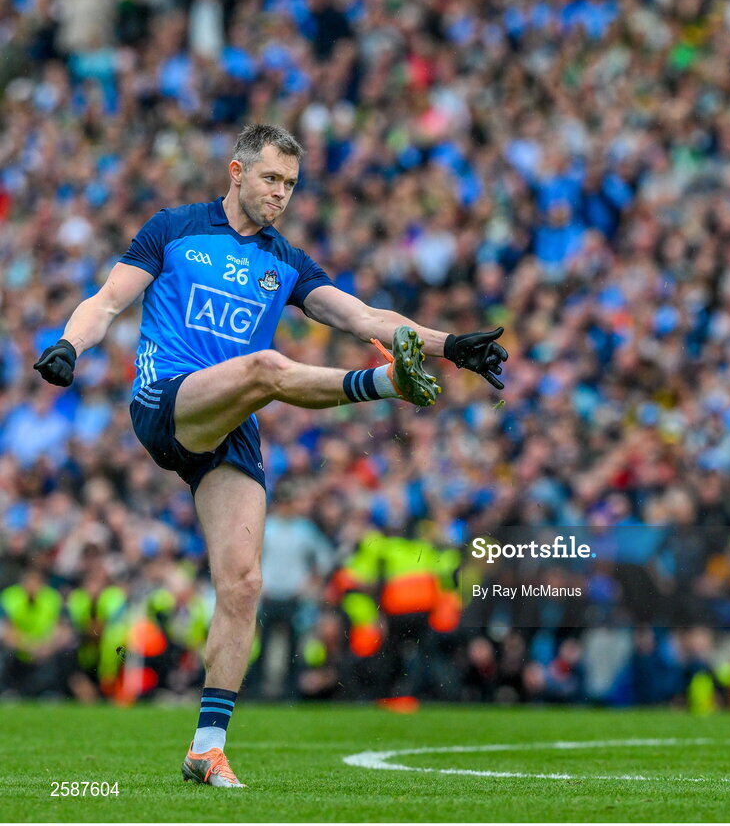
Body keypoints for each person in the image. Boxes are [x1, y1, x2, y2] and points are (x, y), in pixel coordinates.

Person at [33, 123, 507, 788]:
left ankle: (206, 747)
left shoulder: (286, 260)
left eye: (290, 183)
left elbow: (365, 318)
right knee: (264, 367)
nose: (280, 193)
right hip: (167, 398)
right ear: (236, 171)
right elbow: (109, 300)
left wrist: (451, 344)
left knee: (243, 583)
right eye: (270, 179)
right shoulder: (172, 228)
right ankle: (381, 385)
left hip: (229, 426)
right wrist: (68, 346)